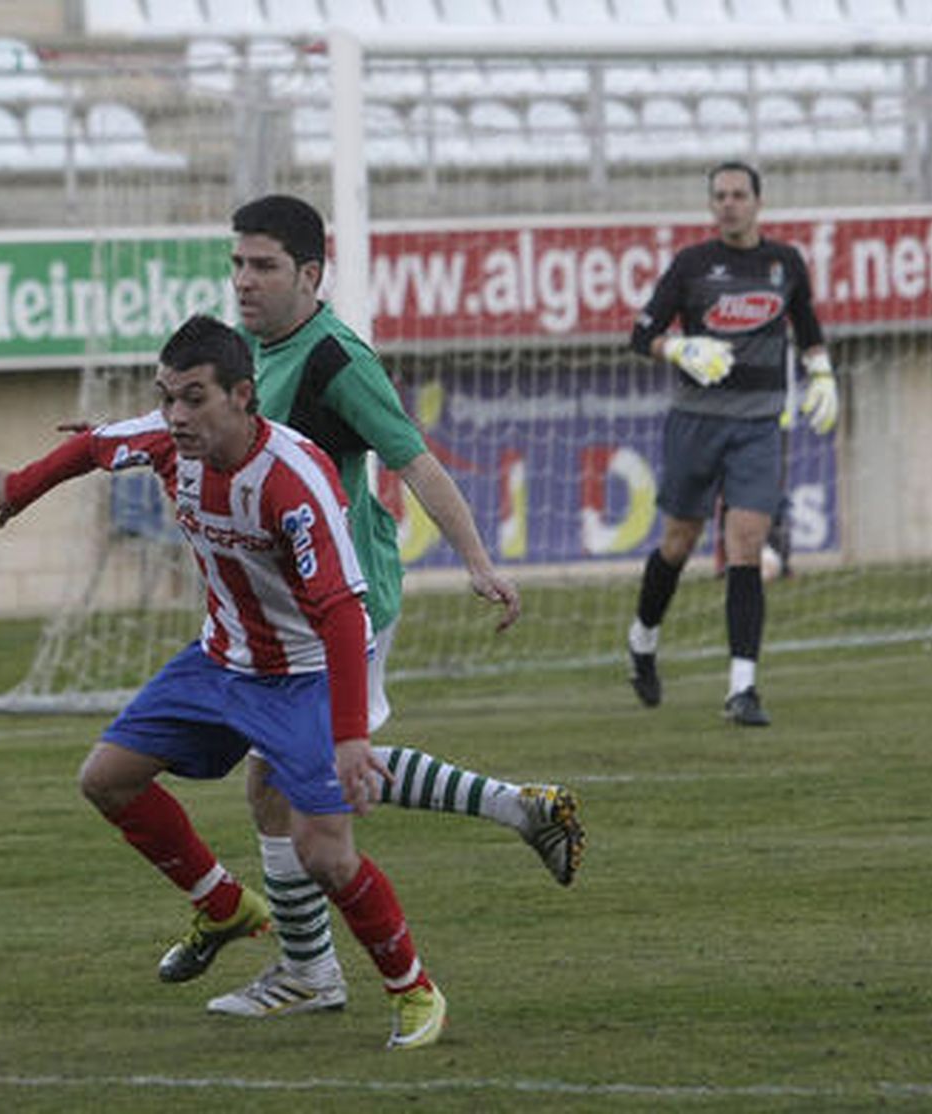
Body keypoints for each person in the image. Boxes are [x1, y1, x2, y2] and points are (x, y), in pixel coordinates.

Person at [0, 314, 448, 1050]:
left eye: (193, 398)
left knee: (324, 852)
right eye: (166, 398)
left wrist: (350, 736)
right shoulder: (170, 444)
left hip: (302, 678)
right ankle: (224, 906)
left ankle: (414, 991)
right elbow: (95, 446)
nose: (176, 416)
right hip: (219, 661)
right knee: (106, 779)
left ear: (243, 396)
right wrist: (21, 486)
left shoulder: (295, 480)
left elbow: (344, 617)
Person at [204, 194, 585, 1022]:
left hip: (346, 596)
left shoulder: (336, 359)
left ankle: (311, 973)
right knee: (284, 778)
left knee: (294, 781)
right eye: (238, 264)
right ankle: (517, 808)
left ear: (310, 274)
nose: (245, 281)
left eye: (264, 266)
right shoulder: (247, 353)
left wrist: (478, 560)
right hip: (288, 599)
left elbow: (414, 462)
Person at [626, 161, 839, 727]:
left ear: (758, 202)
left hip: (759, 426)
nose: (728, 204)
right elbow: (641, 335)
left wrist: (822, 375)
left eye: (738, 194)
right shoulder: (692, 265)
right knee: (678, 543)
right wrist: (677, 350)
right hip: (696, 421)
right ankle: (643, 639)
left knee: (747, 544)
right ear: (710, 204)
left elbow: (809, 330)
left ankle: (742, 689)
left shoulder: (785, 264)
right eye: (718, 195)